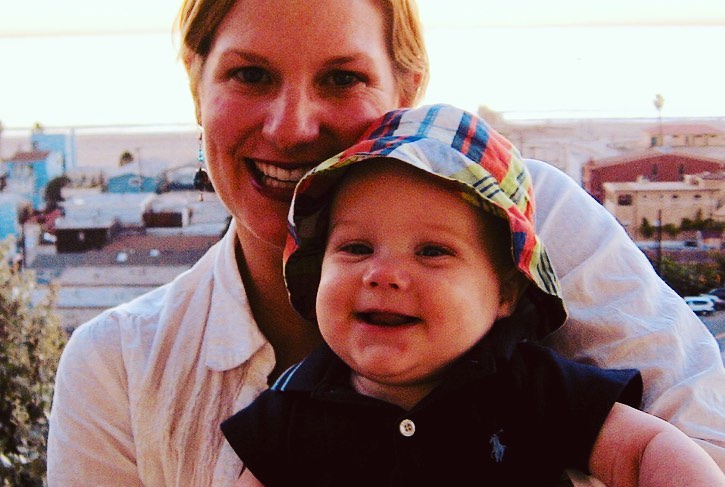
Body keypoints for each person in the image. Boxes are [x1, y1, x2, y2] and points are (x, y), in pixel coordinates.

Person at [47, 1, 724, 485]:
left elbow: (697, 440)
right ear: (196, 84)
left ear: (406, 89)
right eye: (249, 74)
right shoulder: (121, 367)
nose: (291, 127)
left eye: (342, 78)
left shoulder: (527, 215)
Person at [221, 103, 725, 487]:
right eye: (355, 247)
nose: (382, 274)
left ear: (505, 292)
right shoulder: (291, 410)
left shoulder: (531, 388)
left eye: (432, 252)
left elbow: (644, 451)